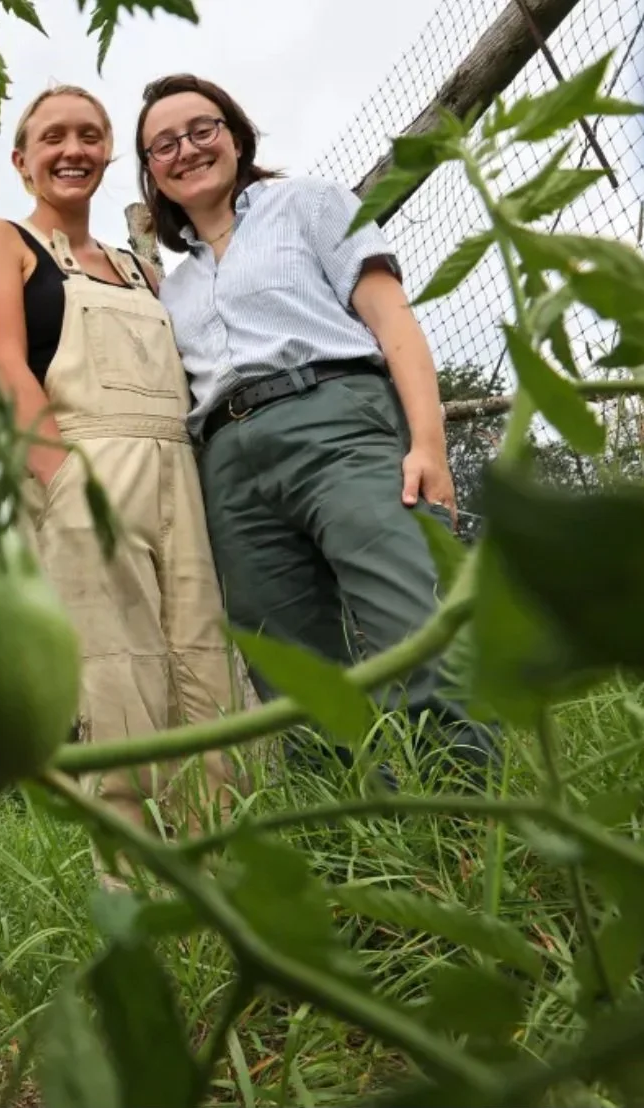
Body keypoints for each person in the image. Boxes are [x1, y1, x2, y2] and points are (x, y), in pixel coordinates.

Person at [133, 72, 499, 783]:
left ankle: (477, 817)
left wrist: (428, 443)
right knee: (293, 676)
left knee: (413, 624)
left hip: (333, 420)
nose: (187, 150)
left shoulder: (312, 203)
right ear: (152, 172)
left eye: (202, 129)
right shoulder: (171, 289)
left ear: (236, 136)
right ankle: (361, 834)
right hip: (227, 467)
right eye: (164, 145)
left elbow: (392, 319)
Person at [0, 84, 245, 884]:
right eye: (53, 137)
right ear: (22, 160)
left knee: (211, 678)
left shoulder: (140, 269)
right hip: (83, 470)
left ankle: (226, 881)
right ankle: (138, 898)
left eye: (89, 135)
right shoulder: (1, 242)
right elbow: (5, 369)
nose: (73, 150)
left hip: (177, 473)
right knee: (118, 688)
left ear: (110, 152)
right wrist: (66, 488)